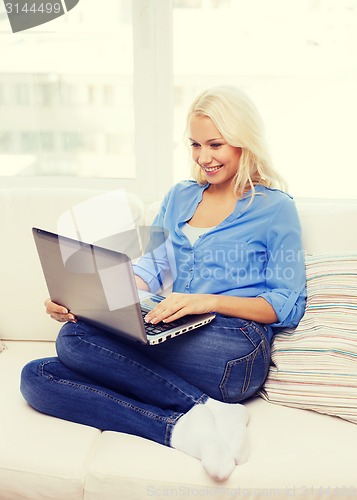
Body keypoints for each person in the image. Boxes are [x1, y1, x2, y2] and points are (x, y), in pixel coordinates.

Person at [20, 85, 306, 482]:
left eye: (215, 144)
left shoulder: (275, 208)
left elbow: (288, 303)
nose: (203, 158)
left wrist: (206, 301)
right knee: (41, 374)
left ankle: (208, 409)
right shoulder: (180, 196)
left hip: (235, 345)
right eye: (194, 145)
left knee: (76, 345)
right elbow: (149, 271)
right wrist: (85, 300)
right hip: (174, 335)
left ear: (244, 143)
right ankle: (195, 421)